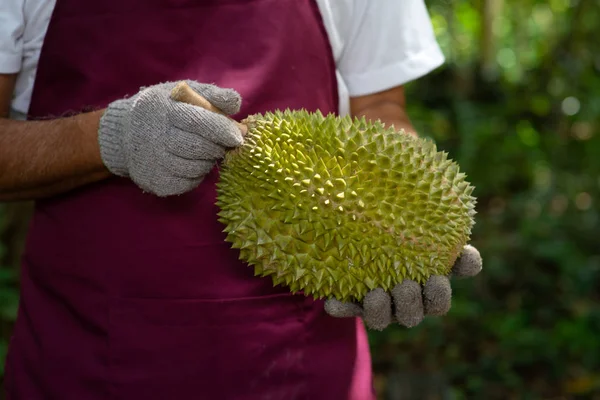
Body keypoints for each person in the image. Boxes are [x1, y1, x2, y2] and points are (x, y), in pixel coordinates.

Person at [0, 0, 482, 398]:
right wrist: (107, 137)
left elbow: (381, 108)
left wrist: (397, 228)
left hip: (305, 362)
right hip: (85, 358)